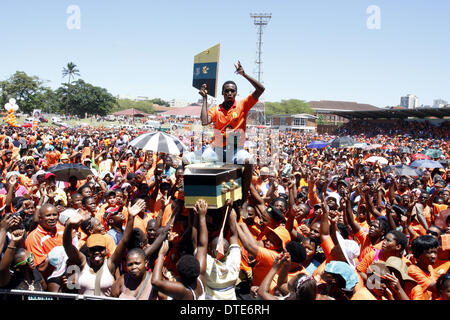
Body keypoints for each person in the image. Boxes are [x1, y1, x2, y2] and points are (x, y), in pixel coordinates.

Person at [62, 199, 146, 296]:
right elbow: (68, 246)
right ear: (88, 252)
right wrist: (68, 226)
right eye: (93, 249)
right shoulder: (84, 262)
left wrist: (131, 217)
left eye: (100, 249)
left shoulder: (110, 264)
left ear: (106, 251)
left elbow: (124, 241)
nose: (96, 252)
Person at [199, 61, 265, 163]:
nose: (229, 93)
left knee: (248, 160)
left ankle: (246, 180)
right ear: (222, 93)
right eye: (226, 91)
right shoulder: (216, 109)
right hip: (217, 150)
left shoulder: (243, 105)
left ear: (236, 93)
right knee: (204, 157)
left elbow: (261, 89)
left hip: (236, 150)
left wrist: (244, 74)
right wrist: (204, 99)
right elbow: (204, 121)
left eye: (232, 91)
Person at [151, 199, 208, 300]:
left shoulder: (183, 291)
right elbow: (202, 246)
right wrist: (200, 217)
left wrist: (161, 255)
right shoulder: (200, 279)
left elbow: (155, 281)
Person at [204, 201, 241, 300]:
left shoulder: (207, 264)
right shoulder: (234, 262)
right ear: (229, 251)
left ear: (210, 251)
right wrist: (230, 208)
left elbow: (199, 243)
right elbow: (234, 235)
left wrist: (199, 215)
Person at [25, 203, 64, 278]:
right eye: (48, 215)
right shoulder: (34, 238)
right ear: (40, 218)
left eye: (54, 214)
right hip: (50, 279)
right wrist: (56, 254)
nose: (52, 218)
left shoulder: (62, 229)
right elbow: (40, 267)